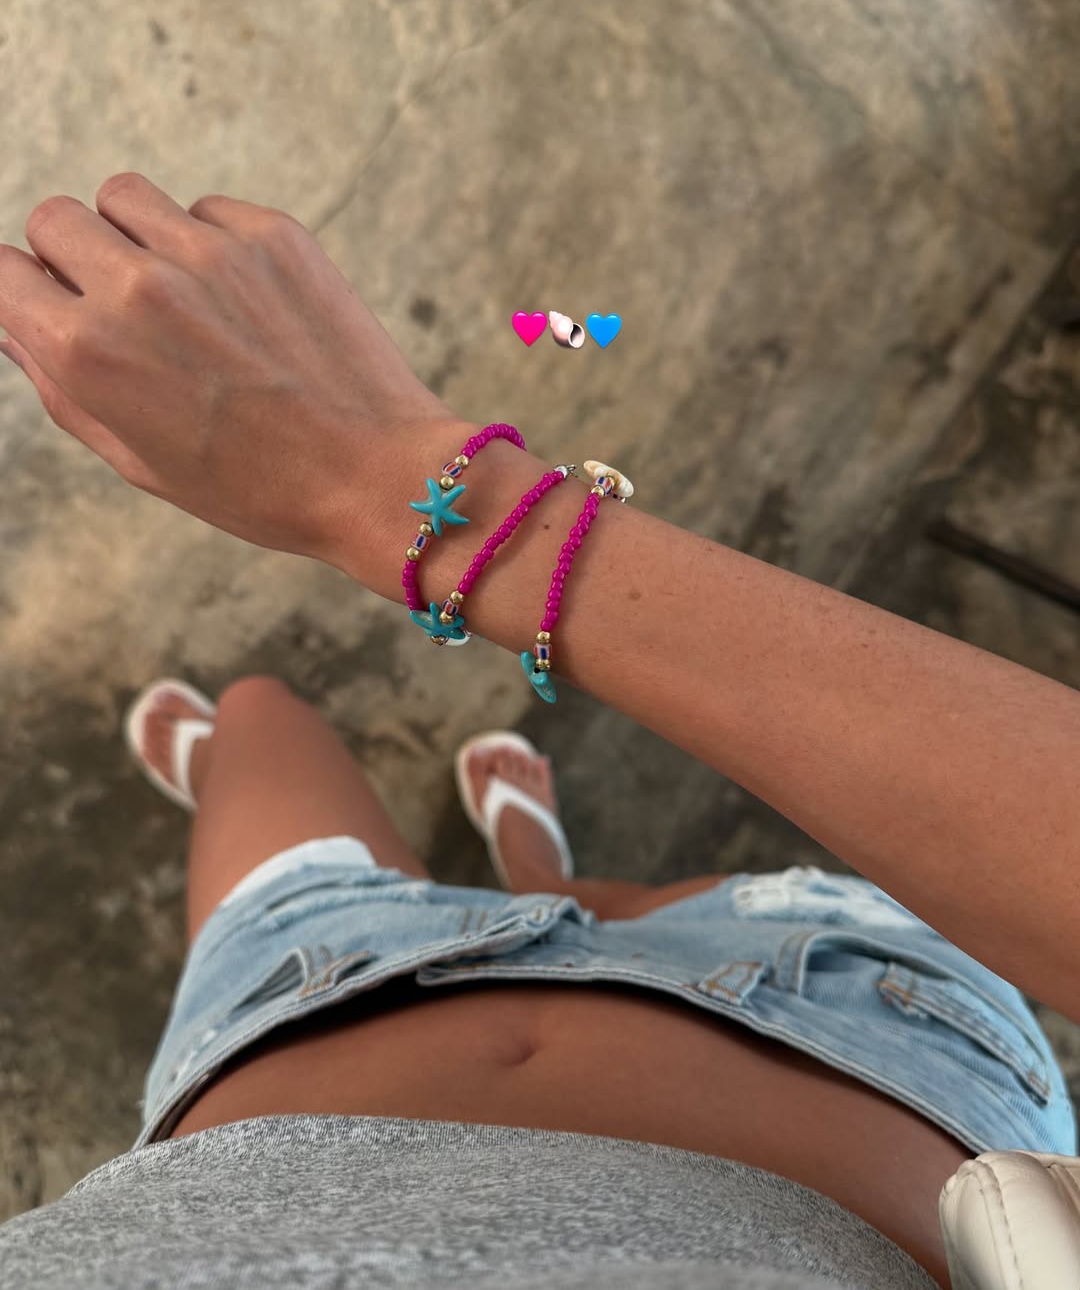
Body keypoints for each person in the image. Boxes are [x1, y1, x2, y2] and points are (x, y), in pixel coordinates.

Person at [0, 172, 1076, 1290]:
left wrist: (395, 490)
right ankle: (540, 866)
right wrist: (383, 473)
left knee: (257, 716)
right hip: (871, 1016)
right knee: (577, 878)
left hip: (301, 991)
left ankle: (516, 858)